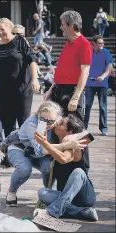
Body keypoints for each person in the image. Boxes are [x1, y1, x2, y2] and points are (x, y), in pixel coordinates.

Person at [44, 11, 92, 172]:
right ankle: (61, 165)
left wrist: (76, 96)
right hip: (59, 90)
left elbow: (85, 72)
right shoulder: (68, 43)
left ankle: (82, 167)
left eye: (63, 24)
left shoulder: (84, 44)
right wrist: (51, 90)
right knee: (58, 128)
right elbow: (62, 70)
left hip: (72, 91)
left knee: (77, 131)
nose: (60, 27)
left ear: (71, 26)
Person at [4, 101, 77, 207]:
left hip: (42, 154)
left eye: (50, 121)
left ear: (58, 118)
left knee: (49, 168)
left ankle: (49, 194)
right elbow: (40, 149)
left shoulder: (59, 123)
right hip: (21, 149)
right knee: (24, 169)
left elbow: (74, 130)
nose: (46, 123)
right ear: (38, 115)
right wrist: (65, 146)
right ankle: (11, 191)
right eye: (42, 119)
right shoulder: (33, 124)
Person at [35, 114, 98, 222]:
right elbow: (41, 149)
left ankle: (54, 210)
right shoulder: (59, 143)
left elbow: (64, 158)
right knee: (42, 193)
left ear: (69, 132)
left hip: (84, 197)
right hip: (65, 197)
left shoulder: (76, 145)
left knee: (78, 172)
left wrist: (45, 144)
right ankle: (82, 212)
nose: (58, 124)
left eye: (61, 123)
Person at [0, 18, 40, 138]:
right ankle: (10, 153)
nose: (0, 32)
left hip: (22, 89)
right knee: (8, 124)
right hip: (4, 91)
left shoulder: (20, 41)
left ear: (10, 28)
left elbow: (32, 60)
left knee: (23, 122)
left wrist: (35, 79)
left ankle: (26, 151)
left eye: (2, 29)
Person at [85, 35, 113, 136]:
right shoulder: (89, 51)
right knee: (87, 105)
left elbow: (110, 66)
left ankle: (104, 128)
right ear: (94, 44)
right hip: (90, 83)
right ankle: (84, 127)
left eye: (103, 43)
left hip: (102, 83)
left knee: (102, 106)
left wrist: (103, 76)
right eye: (100, 43)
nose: (102, 45)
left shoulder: (106, 52)